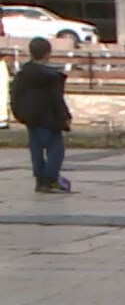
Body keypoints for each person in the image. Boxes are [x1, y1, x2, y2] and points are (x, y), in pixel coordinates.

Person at [10, 37, 73, 194]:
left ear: (31, 53)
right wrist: (65, 116)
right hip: (49, 118)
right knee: (55, 149)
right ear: (48, 54)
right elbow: (57, 99)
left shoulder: (22, 74)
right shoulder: (52, 77)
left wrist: (19, 114)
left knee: (36, 149)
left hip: (31, 117)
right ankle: (49, 179)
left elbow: (15, 96)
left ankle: (39, 180)